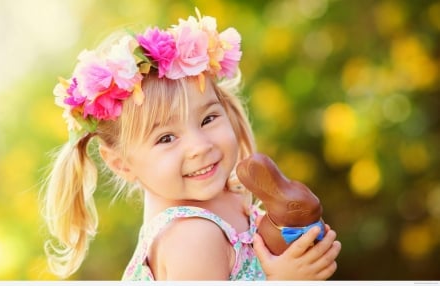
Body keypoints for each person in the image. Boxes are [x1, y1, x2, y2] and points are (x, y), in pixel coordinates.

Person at [42, 9, 341, 280]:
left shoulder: (229, 196)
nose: (200, 146)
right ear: (121, 163)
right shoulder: (192, 239)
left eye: (208, 118)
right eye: (166, 138)